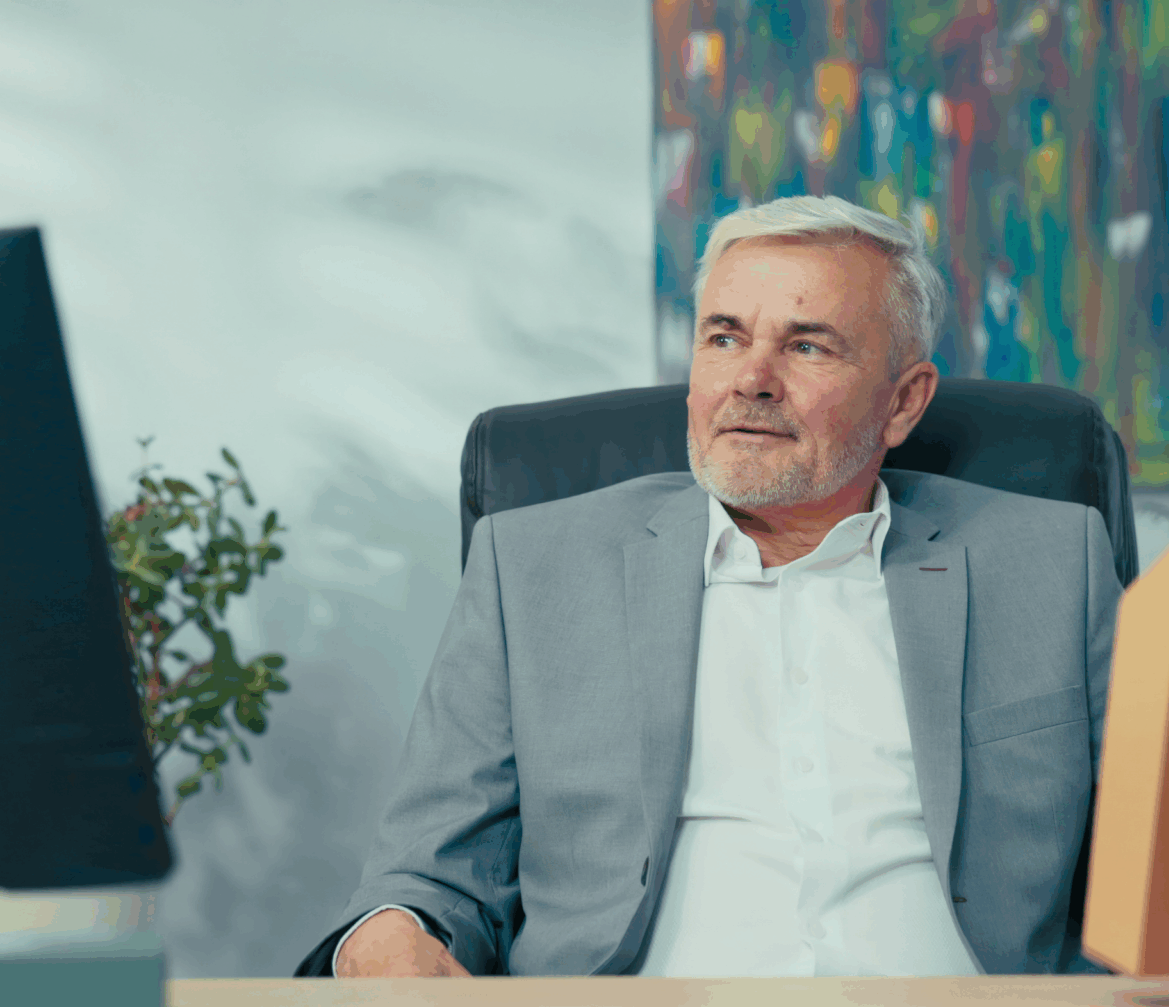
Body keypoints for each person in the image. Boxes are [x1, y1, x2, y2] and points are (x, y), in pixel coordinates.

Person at [295, 195, 1125, 978]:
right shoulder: (535, 567)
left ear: (904, 403)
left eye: (807, 345)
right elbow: (430, 875)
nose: (751, 379)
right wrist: (391, 932)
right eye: (724, 338)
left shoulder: (1054, 563)